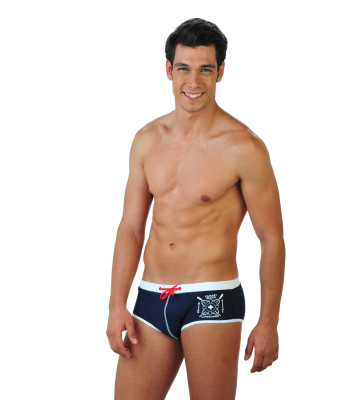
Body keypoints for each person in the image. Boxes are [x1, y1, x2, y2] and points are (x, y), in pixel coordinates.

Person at [107, 17, 285, 400]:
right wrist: (116, 304)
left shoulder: (244, 147)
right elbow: (131, 228)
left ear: (220, 72)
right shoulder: (146, 140)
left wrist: (268, 321)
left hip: (212, 297)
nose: (193, 81)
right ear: (168, 70)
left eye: (205, 69)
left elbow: (272, 238)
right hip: (152, 296)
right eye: (184, 68)